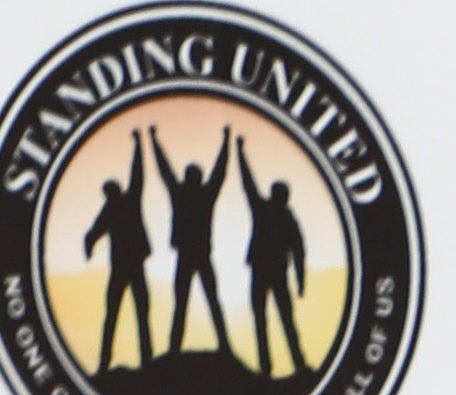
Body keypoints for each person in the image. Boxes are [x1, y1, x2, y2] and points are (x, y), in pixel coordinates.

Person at [149, 127, 237, 368]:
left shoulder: (187, 194)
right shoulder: (196, 195)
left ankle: (188, 347)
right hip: (192, 254)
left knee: (193, 302)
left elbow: (216, 172)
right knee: (195, 302)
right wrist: (226, 141)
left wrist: (226, 142)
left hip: (194, 254)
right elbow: (217, 173)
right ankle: (184, 348)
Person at [80, 149, 155, 378]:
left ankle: (145, 361)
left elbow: (137, 175)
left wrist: (138, 148)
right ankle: (108, 362)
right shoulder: (113, 208)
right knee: (120, 314)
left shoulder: (126, 201)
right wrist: (89, 246)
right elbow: (93, 232)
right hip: (124, 266)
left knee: (136, 313)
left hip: (130, 265)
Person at [240, 150, 311, 381]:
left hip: (271, 272)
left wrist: (300, 280)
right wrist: (241, 154)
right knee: (270, 320)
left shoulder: (281, 217)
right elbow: (249, 185)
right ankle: (275, 366)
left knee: (275, 320)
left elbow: (299, 252)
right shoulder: (277, 215)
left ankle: (286, 365)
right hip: (266, 271)